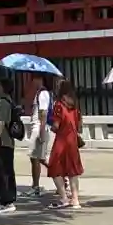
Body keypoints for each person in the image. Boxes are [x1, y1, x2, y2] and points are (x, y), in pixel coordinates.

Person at [47, 81, 84, 210]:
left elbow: (56, 126)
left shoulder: (59, 105)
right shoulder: (75, 106)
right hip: (72, 141)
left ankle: (64, 198)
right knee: (73, 171)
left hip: (62, 140)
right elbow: (79, 127)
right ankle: (75, 199)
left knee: (54, 168)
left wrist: (51, 126)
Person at [0, 73, 20, 213]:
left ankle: (7, 201)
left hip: (3, 142)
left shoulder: (3, 102)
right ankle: (4, 200)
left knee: (3, 172)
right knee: (3, 171)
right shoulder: (4, 101)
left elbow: (1, 123)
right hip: (4, 142)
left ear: (3, 88)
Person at [28, 80, 54, 200]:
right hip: (37, 127)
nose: (32, 81)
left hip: (39, 127)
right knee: (40, 158)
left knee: (35, 157)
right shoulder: (39, 93)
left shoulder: (43, 93)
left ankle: (36, 187)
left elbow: (43, 113)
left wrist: (41, 132)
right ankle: (61, 177)